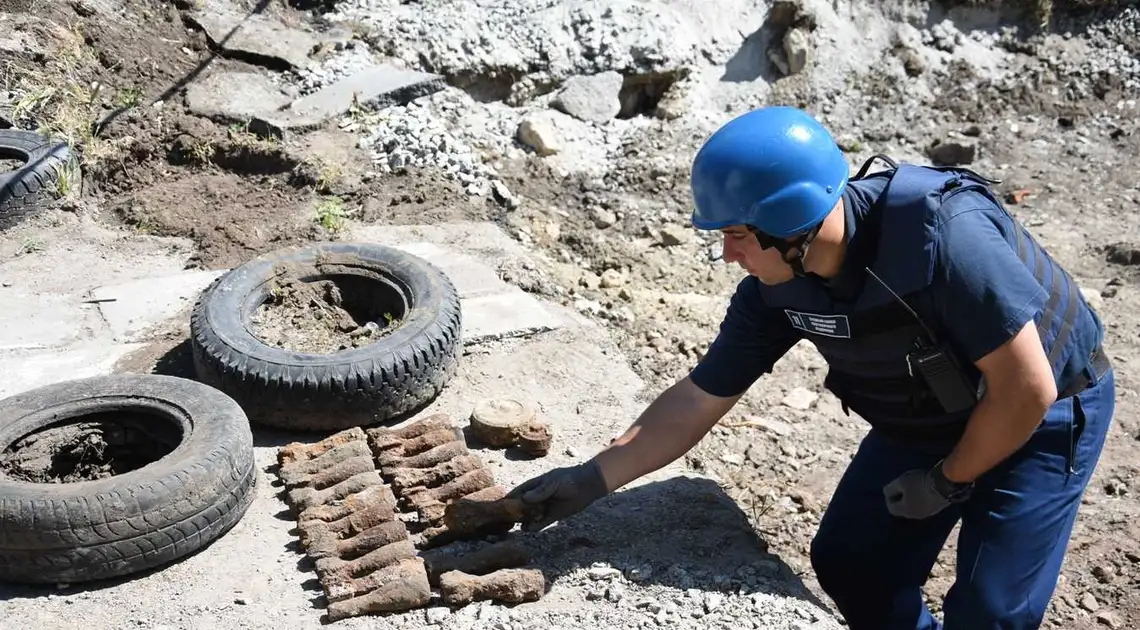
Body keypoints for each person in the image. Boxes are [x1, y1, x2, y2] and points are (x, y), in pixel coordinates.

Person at [505, 105, 1115, 630]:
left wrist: (947, 480)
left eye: (738, 235)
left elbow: (1025, 389)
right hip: (927, 413)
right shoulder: (775, 287)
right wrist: (590, 479)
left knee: (990, 611)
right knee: (852, 564)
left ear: (793, 221)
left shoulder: (943, 237)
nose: (726, 253)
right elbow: (698, 397)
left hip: (1044, 416)